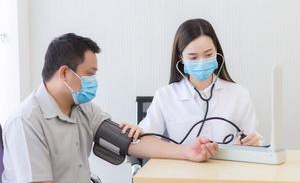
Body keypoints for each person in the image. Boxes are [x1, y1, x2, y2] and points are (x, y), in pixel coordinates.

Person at [2, 33, 218, 183]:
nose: (93, 81)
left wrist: (187, 152)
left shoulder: (83, 108)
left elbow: (131, 143)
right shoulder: (26, 122)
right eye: (89, 74)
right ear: (65, 73)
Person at [139, 18, 263, 147]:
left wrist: (256, 143)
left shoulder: (239, 94)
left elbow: (254, 141)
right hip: (182, 167)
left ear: (217, 52)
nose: (202, 61)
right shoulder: (165, 96)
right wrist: (135, 133)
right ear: (181, 58)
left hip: (228, 166)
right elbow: (144, 139)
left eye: (208, 55)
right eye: (193, 57)